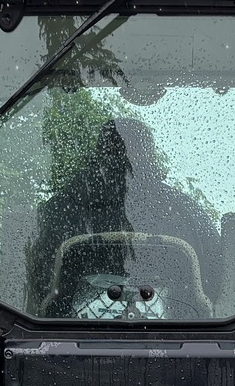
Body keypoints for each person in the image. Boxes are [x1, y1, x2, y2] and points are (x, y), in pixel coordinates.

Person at [28, 116, 222, 317]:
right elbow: (38, 281)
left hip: (179, 332)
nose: (127, 157)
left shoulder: (60, 208)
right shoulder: (186, 213)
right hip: (60, 332)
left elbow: (213, 281)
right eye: (121, 149)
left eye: (132, 149)